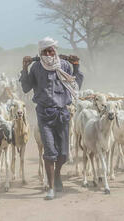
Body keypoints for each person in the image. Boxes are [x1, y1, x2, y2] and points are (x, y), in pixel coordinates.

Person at [20, 37, 83, 200]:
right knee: (50, 152)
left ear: (55, 51)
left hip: (62, 113)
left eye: (51, 50)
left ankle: (57, 174)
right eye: (44, 51)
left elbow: (76, 85)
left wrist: (76, 67)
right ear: (40, 53)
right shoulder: (36, 67)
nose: (48, 54)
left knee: (63, 154)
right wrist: (24, 69)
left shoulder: (64, 65)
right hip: (44, 114)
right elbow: (26, 87)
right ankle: (50, 187)